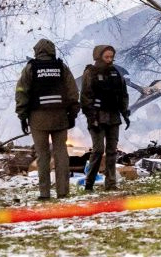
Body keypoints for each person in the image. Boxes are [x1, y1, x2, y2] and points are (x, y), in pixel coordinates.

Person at [15, 38, 80, 200]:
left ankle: (44, 193)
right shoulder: (62, 67)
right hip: (59, 117)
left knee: (43, 156)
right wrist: (72, 114)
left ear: (37, 51)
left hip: (38, 119)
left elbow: (22, 91)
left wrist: (22, 116)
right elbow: (73, 92)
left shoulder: (30, 68)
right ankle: (63, 192)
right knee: (61, 154)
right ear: (52, 51)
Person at [81, 45, 131, 192]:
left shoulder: (116, 73)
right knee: (97, 150)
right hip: (97, 116)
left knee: (112, 151)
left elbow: (123, 94)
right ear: (99, 56)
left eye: (111, 57)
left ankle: (110, 183)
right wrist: (91, 118)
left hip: (114, 117)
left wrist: (125, 113)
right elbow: (85, 97)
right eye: (106, 57)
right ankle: (89, 183)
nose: (109, 60)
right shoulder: (90, 73)